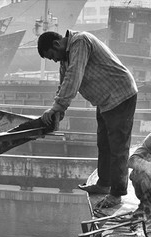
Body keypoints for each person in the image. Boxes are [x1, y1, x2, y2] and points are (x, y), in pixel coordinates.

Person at [37, 29, 138, 212]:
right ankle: (104, 183)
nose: (54, 60)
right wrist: (58, 112)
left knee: (118, 147)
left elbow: (74, 77)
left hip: (121, 95)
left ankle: (116, 193)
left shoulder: (80, 42)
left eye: (52, 56)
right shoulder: (65, 57)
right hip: (106, 100)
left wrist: (57, 107)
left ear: (56, 44)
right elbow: (64, 84)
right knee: (104, 143)